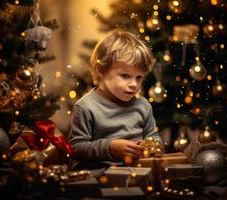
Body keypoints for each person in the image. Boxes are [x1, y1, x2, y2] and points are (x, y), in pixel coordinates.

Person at [68, 29, 164, 169]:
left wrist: (153, 146)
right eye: (125, 76)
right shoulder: (86, 107)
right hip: (99, 177)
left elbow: (153, 136)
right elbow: (75, 149)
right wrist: (110, 147)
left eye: (139, 77)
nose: (134, 84)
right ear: (102, 71)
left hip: (139, 174)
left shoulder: (143, 105)